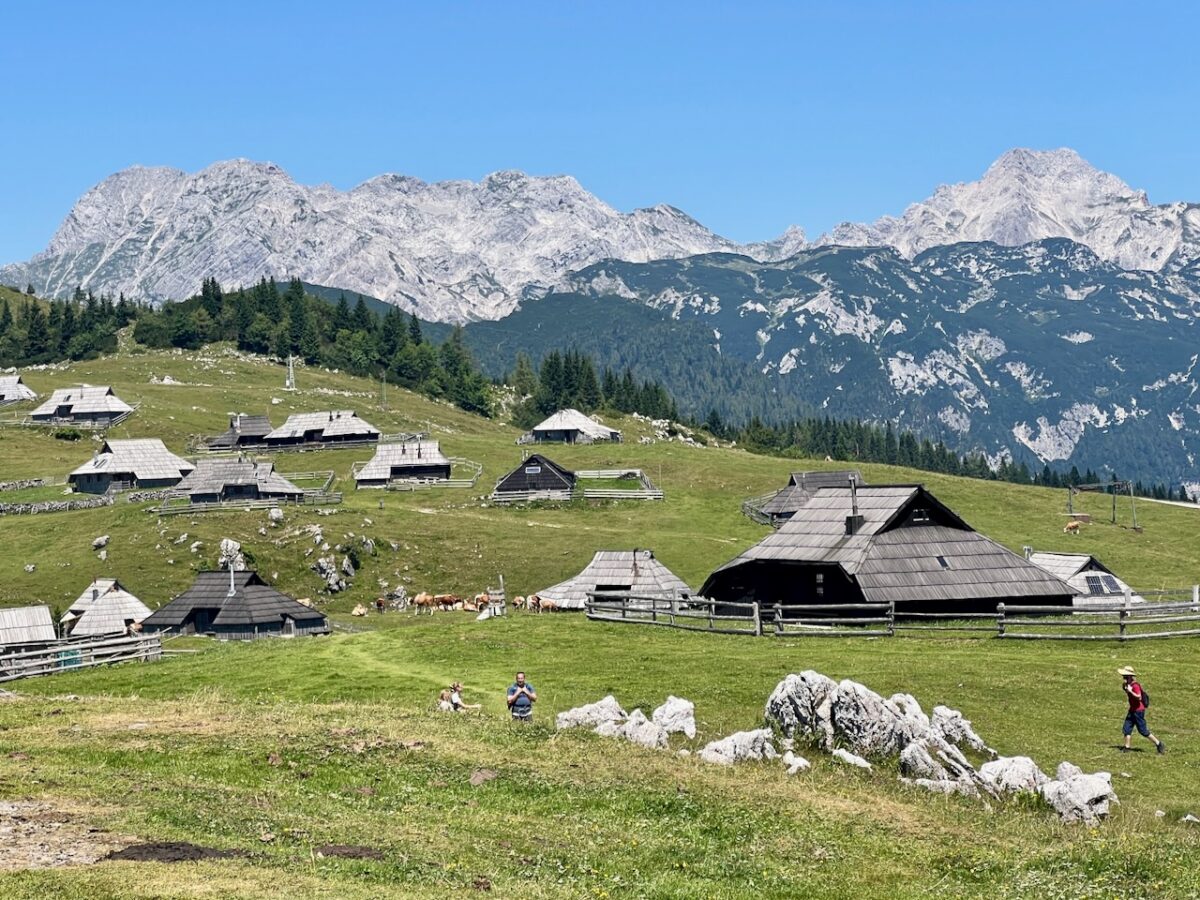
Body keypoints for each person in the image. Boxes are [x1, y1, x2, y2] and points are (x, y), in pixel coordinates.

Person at [1119, 666, 1165, 754]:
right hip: (1132, 710)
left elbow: (1138, 697)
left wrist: (1130, 691)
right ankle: (1127, 747)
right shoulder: (1128, 685)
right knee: (1126, 728)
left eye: (1125, 676)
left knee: (1143, 731)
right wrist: (1125, 688)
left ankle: (1159, 744)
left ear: (1129, 676)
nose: (1123, 678)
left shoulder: (1135, 685)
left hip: (1138, 711)